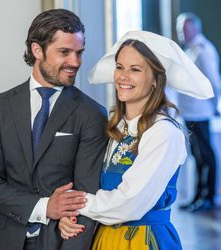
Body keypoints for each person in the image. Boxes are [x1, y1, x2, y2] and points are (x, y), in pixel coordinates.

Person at [58, 31, 214, 250]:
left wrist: (72, 204)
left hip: (143, 240)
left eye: (135, 69)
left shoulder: (164, 133)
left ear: (155, 80)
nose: (123, 76)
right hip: (104, 238)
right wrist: (71, 216)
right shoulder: (116, 128)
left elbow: (128, 203)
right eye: (120, 67)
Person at [0, 9, 107, 250]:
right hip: (8, 241)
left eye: (79, 53)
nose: (75, 62)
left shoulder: (92, 114)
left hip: (62, 241)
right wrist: (45, 207)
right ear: (37, 50)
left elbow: (87, 198)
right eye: (64, 52)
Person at [176, 12, 220, 212]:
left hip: (200, 111)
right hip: (189, 112)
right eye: (180, 29)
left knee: (205, 154)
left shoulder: (204, 50)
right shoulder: (191, 50)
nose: (181, 33)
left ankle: (207, 196)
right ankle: (198, 195)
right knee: (197, 155)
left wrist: (216, 106)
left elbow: (213, 80)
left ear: (195, 28)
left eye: (185, 29)